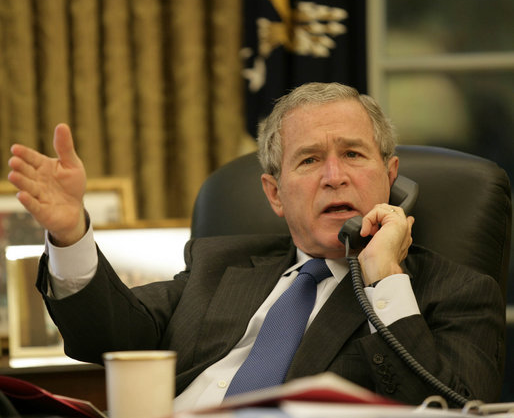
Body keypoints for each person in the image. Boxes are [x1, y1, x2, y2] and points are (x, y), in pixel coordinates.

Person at [7, 83, 504, 411]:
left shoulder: (454, 292)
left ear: (390, 178)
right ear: (274, 194)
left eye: (353, 154)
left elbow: (451, 408)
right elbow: (106, 335)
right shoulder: (216, 265)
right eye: (309, 161)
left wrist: (383, 277)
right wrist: (71, 233)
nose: (335, 177)